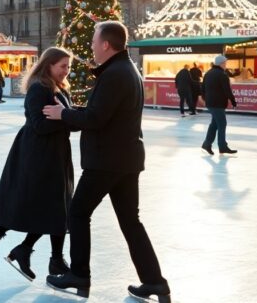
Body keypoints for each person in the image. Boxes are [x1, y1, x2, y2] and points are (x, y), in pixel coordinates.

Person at [43, 21, 170, 302]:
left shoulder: (115, 74)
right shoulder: (125, 70)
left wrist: (62, 115)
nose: (90, 45)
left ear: (106, 45)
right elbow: (101, 111)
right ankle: (154, 281)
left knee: (77, 213)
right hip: (125, 158)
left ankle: (79, 275)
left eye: (93, 40)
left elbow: (96, 119)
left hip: (107, 160)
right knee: (130, 221)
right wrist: (70, 110)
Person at [0, 47, 74, 282]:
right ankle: (9, 240)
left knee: (56, 207)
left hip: (55, 153)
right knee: (46, 205)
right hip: (38, 155)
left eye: (68, 66)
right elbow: (38, 124)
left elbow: (66, 116)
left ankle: (14, 243)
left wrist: (70, 115)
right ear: (48, 65)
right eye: (62, 66)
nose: (66, 71)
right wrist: (65, 118)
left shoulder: (59, 87)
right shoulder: (39, 88)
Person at [200, 55, 238, 155]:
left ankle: (207, 144)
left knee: (214, 124)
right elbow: (227, 90)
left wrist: (206, 99)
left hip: (211, 103)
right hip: (218, 104)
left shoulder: (208, 73)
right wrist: (233, 101)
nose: (226, 64)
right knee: (222, 124)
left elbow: (202, 88)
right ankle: (222, 146)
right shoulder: (222, 75)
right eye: (225, 63)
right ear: (221, 63)